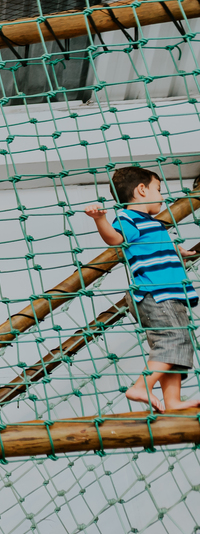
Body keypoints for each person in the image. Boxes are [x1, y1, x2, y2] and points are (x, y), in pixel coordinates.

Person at [84, 166, 198, 412]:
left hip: (169, 293)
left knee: (179, 343)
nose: (162, 195)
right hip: (155, 294)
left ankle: (173, 401)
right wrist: (100, 219)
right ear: (142, 190)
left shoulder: (151, 223)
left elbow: (152, 248)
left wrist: (179, 253)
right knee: (173, 340)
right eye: (159, 189)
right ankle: (140, 387)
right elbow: (116, 239)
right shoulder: (128, 218)